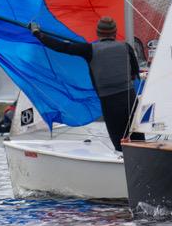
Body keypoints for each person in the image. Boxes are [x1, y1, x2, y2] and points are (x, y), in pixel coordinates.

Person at [29, 16, 145, 151]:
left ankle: (123, 164)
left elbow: (61, 47)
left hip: (110, 102)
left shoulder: (89, 49)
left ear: (98, 33)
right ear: (114, 32)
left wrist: (37, 33)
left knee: (120, 145)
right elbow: (134, 73)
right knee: (139, 141)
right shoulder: (126, 47)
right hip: (130, 98)